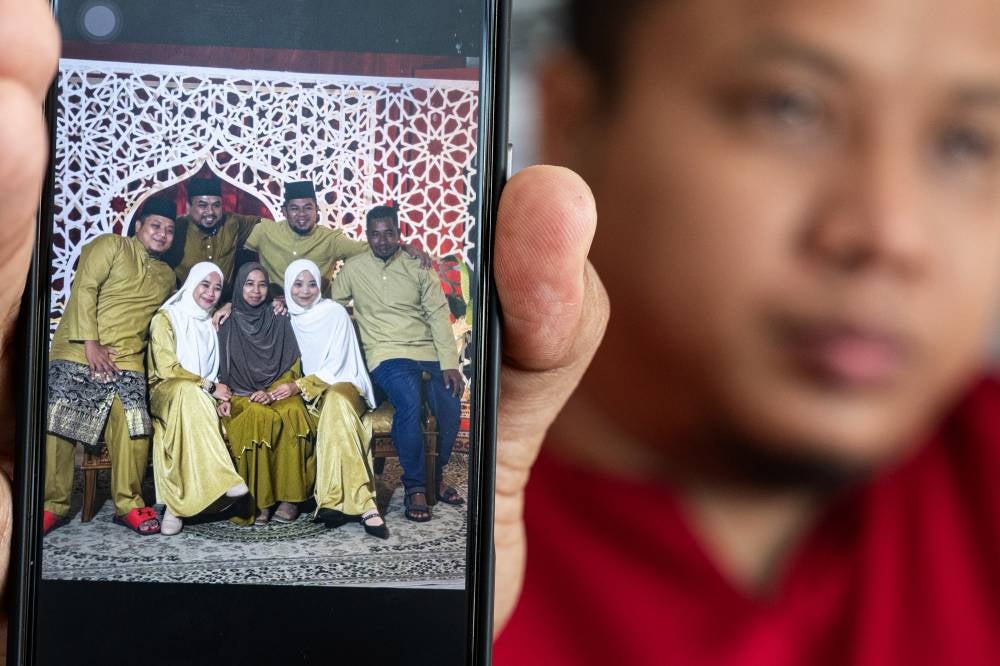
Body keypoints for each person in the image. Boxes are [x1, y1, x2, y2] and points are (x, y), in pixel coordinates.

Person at [493, 0, 1000, 663]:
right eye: (789, 108)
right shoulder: (393, 514)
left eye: (966, 143)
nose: (888, 234)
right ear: (571, 120)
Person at [42, 197, 178, 536]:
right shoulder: (111, 245)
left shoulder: (168, 275)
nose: (162, 234)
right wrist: (91, 343)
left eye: (170, 230)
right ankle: (51, 505)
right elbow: (84, 288)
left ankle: (128, 505)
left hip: (127, 359)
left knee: (135, 425)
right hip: (79, 347)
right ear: (139, 227)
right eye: (156, 226)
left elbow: (180, 311)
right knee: (58, 420)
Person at [330, 206, 466, 522]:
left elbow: (436, 314)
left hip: (427, 351)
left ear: (398, 233)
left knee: (449, 401)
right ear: (367, 236)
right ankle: (416, 486)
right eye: (375, 234)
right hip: (384, 353)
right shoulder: (353, 268)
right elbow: (333, 308)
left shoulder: (418, 265)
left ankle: (437, 473)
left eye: (388, 232)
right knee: (409, 401)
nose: (382, 240)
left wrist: (449, 362)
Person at [281, 259, 387, 539]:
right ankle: (339, 502)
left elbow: (339, 364)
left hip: (345, 385)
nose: (305, 291)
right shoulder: (285, 317)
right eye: (298, 284)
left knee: (337, 402)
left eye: (312, 283)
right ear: (287, 286)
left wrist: (300, 385)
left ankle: (364, 504)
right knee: (328, 408)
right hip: (310, 395)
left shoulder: (334, 312)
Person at [147, 261, 249, 536]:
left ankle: (175, 509)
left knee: (190, 406)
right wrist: (209, 386)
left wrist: (217, 395)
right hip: (164, 390)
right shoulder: (166, 318)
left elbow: (217, 370)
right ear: (192, 283)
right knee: (187, 392)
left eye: (217, 288)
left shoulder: (212, 322)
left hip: (198, 395)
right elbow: (167, 369)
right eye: (205, 284)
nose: (211, 293)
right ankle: (225, 478)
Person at [217, 262, 314, 525]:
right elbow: (216, 367)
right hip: (239, 394)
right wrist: (220, 394)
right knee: (259, 415)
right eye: (249, 284)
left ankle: (290, 498)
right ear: (239, 286)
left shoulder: (279, 316)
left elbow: (292, 364)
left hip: (276, 387)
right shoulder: (226, 319)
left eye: (261, 284)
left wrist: (271, 391)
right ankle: (260, 500)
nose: (256, 291)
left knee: (293, 410)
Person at [238, 180, 432, 302]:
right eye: (295, 209)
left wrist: (404, 246)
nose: (302, 215)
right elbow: (235, 247)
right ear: (284, 211)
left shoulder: (331, 239)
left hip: (316, 310)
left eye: (308, 208)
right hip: (274, 307)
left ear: (317, 211)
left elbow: (370, 247)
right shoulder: (265, 231)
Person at [164, 176, 271, 292]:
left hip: (224, 305)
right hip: (184, 304)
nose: (210, 211)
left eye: (216, 205)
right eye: (202, 205)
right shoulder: (175, 229)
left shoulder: (231, 222)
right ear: (188, 207)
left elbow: (266, 224)